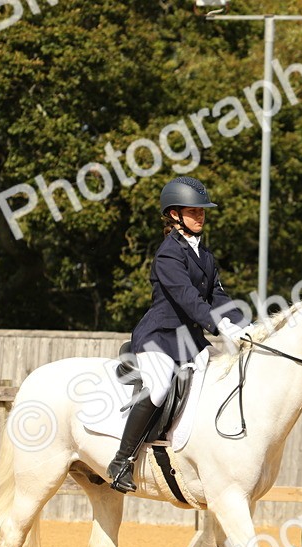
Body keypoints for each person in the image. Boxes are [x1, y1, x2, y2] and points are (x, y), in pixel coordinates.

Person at [107, 176, 248, 493]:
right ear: (173, 214)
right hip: (160, 338)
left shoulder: (205, 256)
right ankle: (122, 461)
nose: (200, 216)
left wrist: (243, 325)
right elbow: (188, 298)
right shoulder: (169, 254)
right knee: (158, 387)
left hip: (192, 342)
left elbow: (219, 297)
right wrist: (218, 325)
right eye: (193, 211)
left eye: (202, 211)